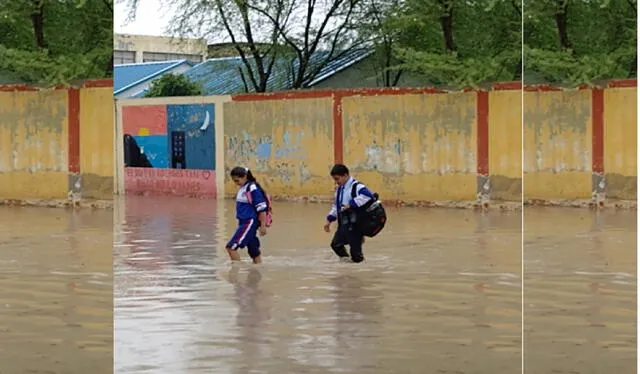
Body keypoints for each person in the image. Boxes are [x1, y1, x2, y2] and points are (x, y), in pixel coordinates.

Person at [323, 164, 375, 263]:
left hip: (355, 225)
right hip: (344, 224)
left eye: (337, 179)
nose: (336, 182)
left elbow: (369, 196)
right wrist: (329, 219)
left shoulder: (357, 186)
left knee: (356, 256)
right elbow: (336, 206)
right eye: (334, 179)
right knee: (336, 245)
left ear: (345, 175)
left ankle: (358, 272)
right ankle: (347, 264)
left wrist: (352, 204)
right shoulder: (339, 189)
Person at [226, 167, 269, 264]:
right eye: (234, 181)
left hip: (249, 222)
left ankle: (235, 276)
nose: (236, 183)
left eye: (237, 180)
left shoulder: (252, 188)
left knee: (231, 247)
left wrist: (263, 226)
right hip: (243, 222)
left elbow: (262, 208)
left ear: (244, 176)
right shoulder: (243, 188)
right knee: (254, 251)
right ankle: (257, 272)